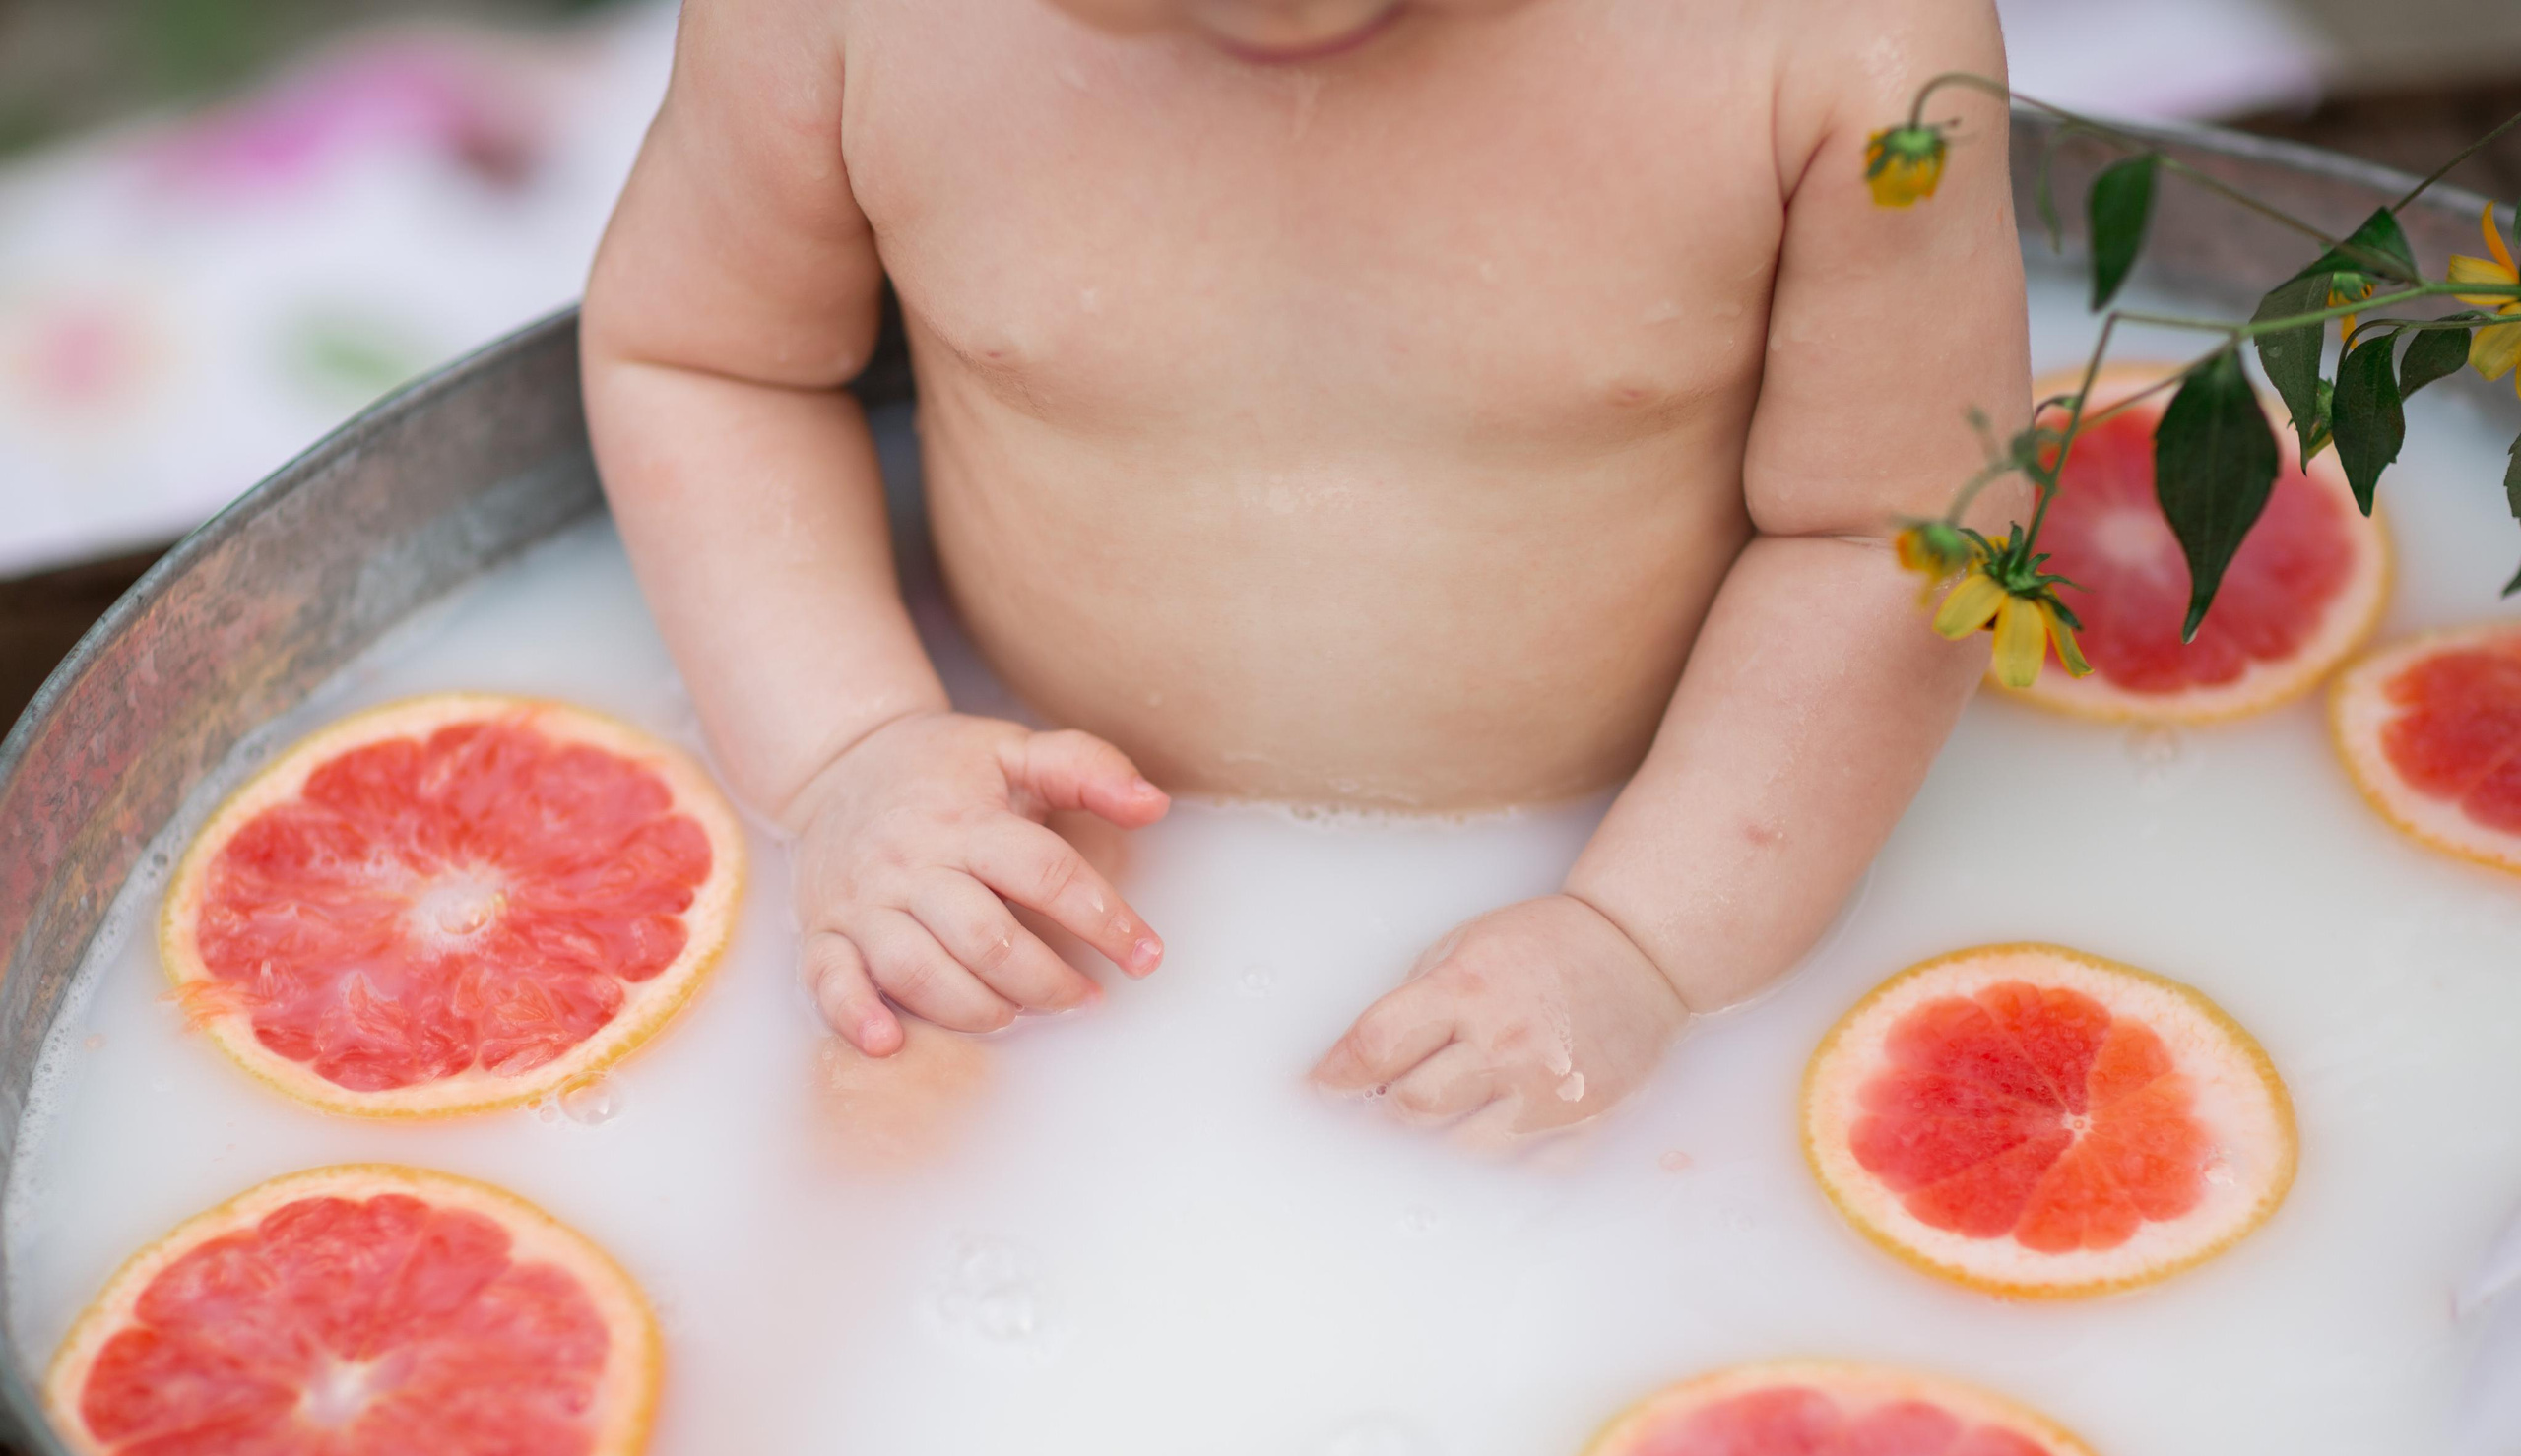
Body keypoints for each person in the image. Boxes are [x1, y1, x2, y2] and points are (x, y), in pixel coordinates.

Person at [579, 0, 2029, 1137]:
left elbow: (1894, 532)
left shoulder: (1833, 37)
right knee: (832, 1242)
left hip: (1649, 848)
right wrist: (852, 750)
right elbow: (707, 358)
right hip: (1021, 830)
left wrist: (1651, 943)